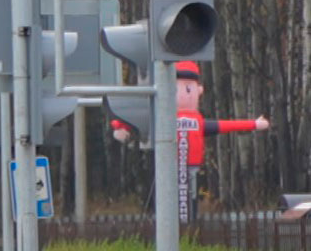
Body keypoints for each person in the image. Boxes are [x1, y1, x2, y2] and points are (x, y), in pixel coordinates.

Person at [111, 60, 269, 219]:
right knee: (170, 199)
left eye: (188, 88)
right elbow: (137, 119)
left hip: (191, 167)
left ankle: (187, 227)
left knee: (189, 198)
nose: (180, 94)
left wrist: (253, 124)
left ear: (198, 91)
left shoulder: (195, 121)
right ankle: (174, 225)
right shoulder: (165, 117)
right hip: (167, 167)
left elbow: (225, 125)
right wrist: (120, 124)